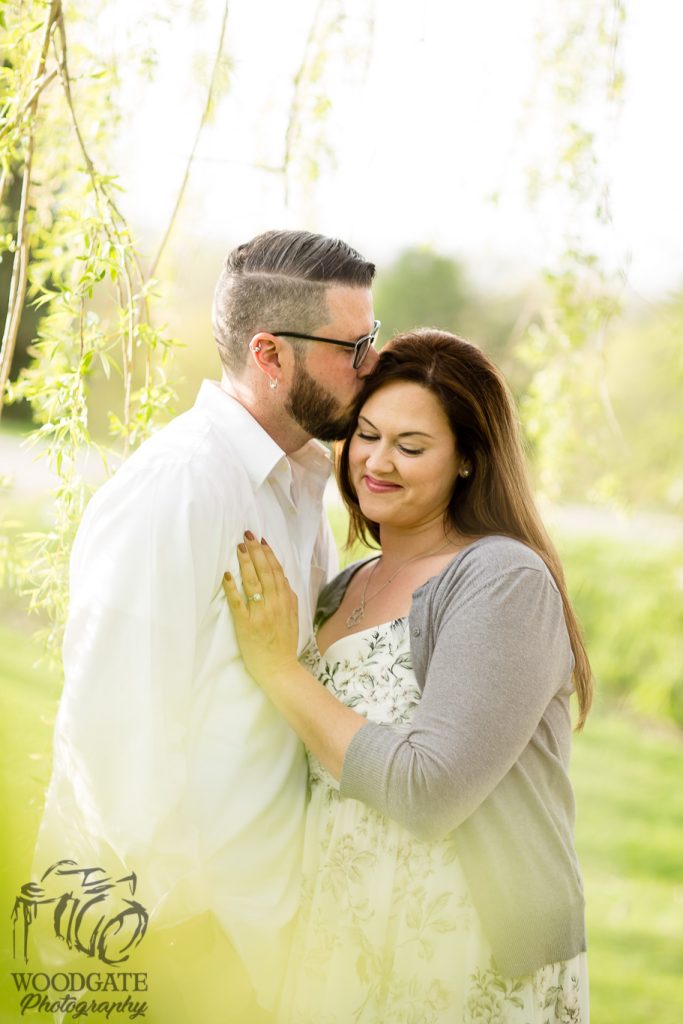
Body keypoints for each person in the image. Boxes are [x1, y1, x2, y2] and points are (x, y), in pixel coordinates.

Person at [33, 229, 378, 1022]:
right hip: (170, 955)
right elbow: (111, 737)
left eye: (374, 340)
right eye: (353, 348)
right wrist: (187, 939)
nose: (372, 366)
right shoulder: (179, 487)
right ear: (269, 354)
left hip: (257, 950)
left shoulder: (298, 486)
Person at [224, 329, 592, 1023]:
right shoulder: (343, 588)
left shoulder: (502, 579)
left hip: (460, 954)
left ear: (468, 460)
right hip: (338, 937)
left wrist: (277, 668)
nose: (377, 461)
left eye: (411, 447)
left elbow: (430, 790)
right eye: (366, 435)